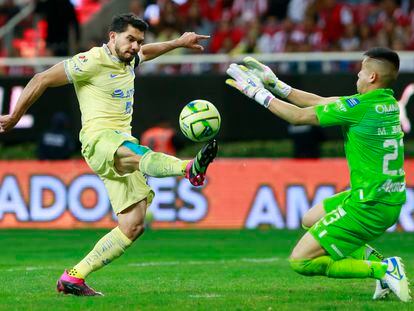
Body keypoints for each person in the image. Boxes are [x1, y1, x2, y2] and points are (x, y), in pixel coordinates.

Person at [0, 13, 218, 296]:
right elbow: (42, 78)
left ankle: (73, 277)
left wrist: (178, 42)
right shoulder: (90, 61)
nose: (136, 47)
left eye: (139, 41)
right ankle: (189, 168)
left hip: (121, 142)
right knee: (140, 154)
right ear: (112, 37)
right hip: (98, 140)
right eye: (130, 39)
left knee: (133, 225)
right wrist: (15, 116)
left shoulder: (131, 58)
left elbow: (148, 52)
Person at [225, 47, 410, 302]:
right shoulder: (385, 102)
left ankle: (383, 269)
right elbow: (322, 102)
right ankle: (381, 268)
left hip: (368, 205)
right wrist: (277, 85)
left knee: (301, 261)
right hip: (382, 197)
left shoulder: (360, 108)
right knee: (311, 218)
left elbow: (299, 116)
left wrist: (257, 93)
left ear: (372, 78)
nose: (357, 75)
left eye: (361, 71)